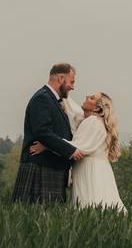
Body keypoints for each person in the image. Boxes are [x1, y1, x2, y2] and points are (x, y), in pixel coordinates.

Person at [29, 92, 127, 213]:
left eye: (91, 98)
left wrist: (48, 145)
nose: (86, 97)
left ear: (97, 107)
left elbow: (78, 147)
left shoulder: (93, 121)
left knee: (91, 204)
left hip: (90, 172)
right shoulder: (96, 122)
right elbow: (74, 112)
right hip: (98, 170)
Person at [11, 63, 83, 204]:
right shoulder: (42, 98)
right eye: (71, 81)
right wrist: (70, 150)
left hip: (51, 166)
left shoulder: (52, 99)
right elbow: (42, 132)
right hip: (40, 166)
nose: (72, 86)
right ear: (61, 78)